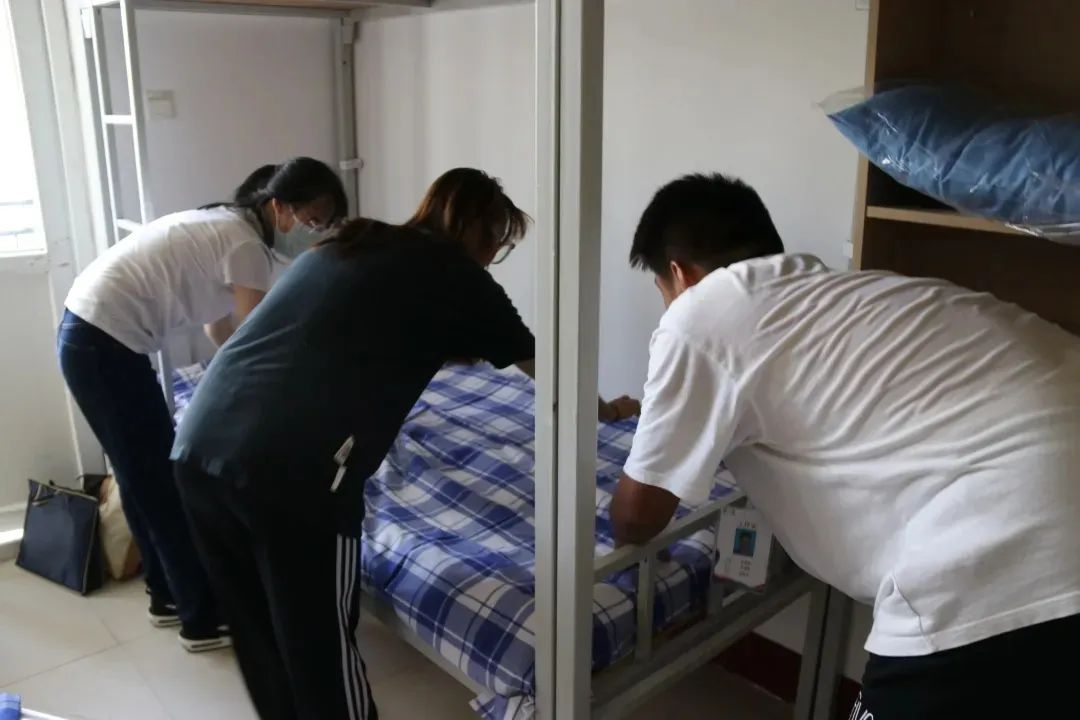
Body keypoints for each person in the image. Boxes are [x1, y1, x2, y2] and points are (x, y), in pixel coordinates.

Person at [171, 168, 640, 720]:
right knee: (320, 648)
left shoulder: (350, 241)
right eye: (499, 243)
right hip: (292, 476)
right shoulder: (460, 278)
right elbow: (551, 376)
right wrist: (606, 411)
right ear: (481, 232)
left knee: (260, 637)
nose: (495, 257)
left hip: (198, 442)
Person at [609, 173, 1080, 718]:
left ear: (679, 274)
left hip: (1012, 551)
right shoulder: (847, 293)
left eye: (662, 293)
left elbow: (637, 517)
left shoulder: (699, 315)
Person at [58, 157, 348, 652]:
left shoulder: (226, 225)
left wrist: (231, 381)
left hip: (90, 335)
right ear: (279, 206)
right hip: (103, 342)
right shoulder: (245, 244)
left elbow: (221, 329)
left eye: (324, 224)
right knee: (163, 482)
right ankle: (201, 620)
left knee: (141, 477)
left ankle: (166, 597)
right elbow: (258, 335)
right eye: (312, 219)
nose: (315, 232)